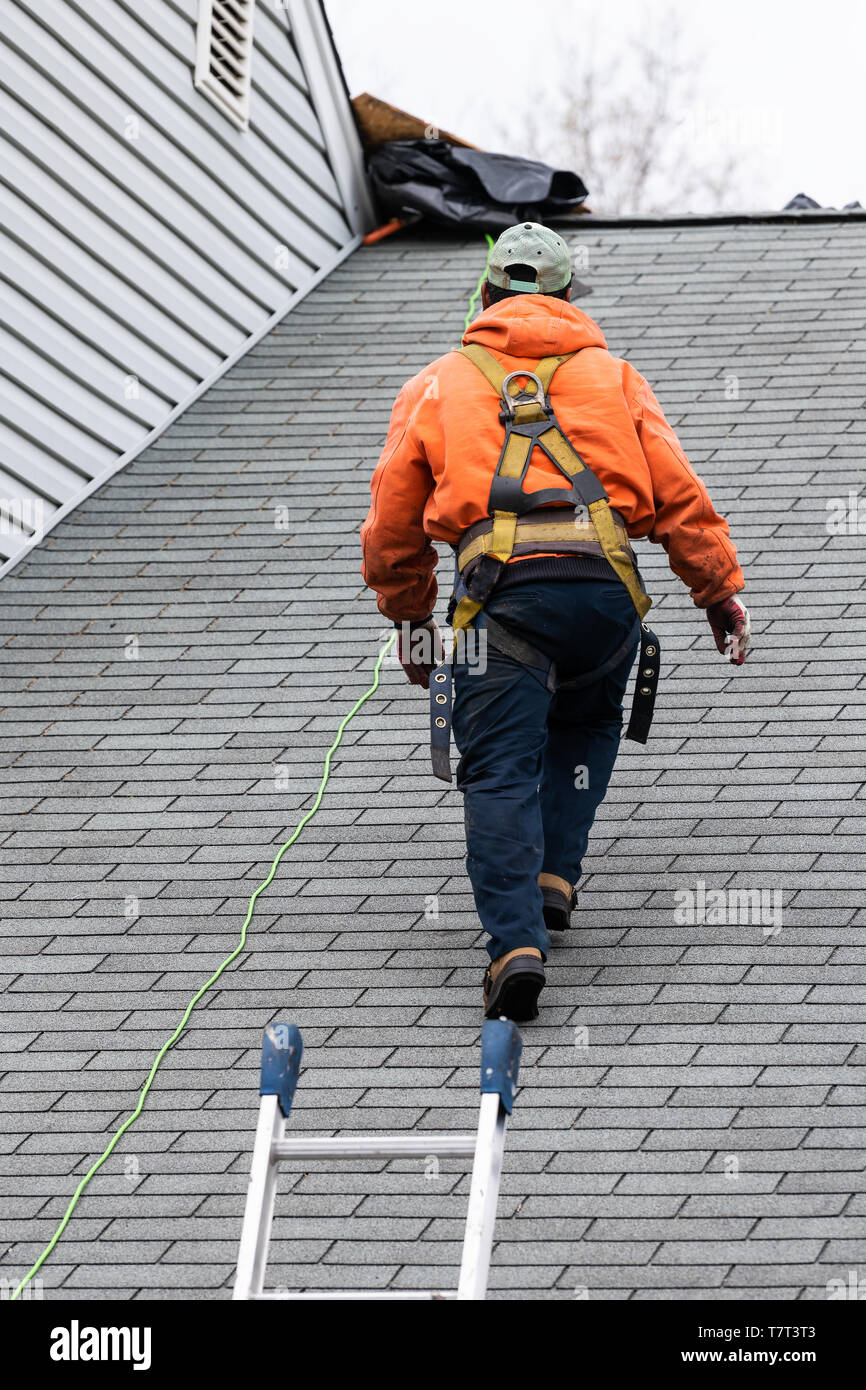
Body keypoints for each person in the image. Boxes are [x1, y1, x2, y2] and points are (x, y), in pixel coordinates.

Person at [361, 222, 749, 1022]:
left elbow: (392, 525)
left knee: (498, 766)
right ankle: (554, 876)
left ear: (488, 295)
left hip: (499, 599)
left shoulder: (437, 384)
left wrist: (410, 619)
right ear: (569, 298)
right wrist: (718, 593)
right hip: (603, 593)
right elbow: (678, 492)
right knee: (581, 725)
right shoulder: (614, 378)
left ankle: (515, 947)